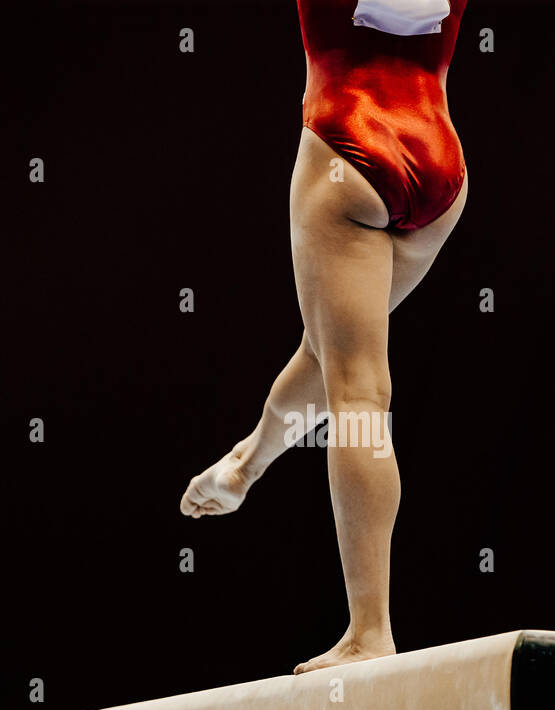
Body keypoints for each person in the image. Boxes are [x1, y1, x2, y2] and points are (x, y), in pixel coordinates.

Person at [180, 0, 470, 674]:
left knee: (359, 396)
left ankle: (370, 630)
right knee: (334, 352)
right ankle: (249, 460)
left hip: (347, 150)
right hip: (441, 164)